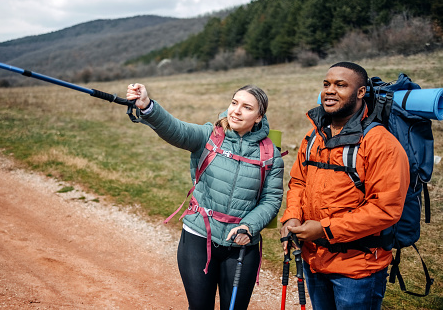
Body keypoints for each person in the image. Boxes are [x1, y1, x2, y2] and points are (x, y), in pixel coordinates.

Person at [126, 83, 284, 310]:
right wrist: (148, 107)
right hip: (199, 237)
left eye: (247, 107)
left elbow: (271, 199)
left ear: (259, 117)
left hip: (241, 244)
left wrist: (249, 226)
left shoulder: (271, 155)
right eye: (234, 103)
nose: (236, 111)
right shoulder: (209, 136)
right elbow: (175, 129)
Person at [280, 62, 410, 310]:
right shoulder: (314, 136)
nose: (330, 90)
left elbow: (386, 209)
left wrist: (324, 229)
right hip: (314, 259)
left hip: (358, 269)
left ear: (360, 92)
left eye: (341, 85)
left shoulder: (380, 143)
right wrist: (292, 218)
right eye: (326, 84)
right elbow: (298, 182)